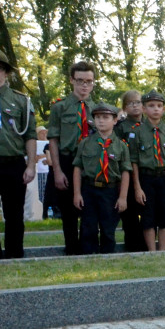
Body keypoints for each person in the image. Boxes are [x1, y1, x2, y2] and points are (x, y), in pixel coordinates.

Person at [47, 60, 96, 255]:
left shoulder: (98, 109)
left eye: (89, 81)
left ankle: (88, 248)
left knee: (90, 208)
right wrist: (57, 170)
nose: (85, 85)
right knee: (68, 210)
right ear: (71, 80)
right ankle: (71, 249)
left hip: (91, 163)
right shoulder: (60, 107)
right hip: (67, 160)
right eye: (80, 80)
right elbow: (53, 140)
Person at [72, 103, 129, 254]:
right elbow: (78, 168)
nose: (101, 121)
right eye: (97, 117)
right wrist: (77, 193)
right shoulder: (85, 143)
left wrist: (123, 197)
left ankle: (107, 257)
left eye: (105, 117)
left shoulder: (121, 146)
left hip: (110, 190)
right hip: (89, 189)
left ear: (115, 120)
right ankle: (88, 257)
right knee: (88, 227)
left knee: (108, 228)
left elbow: (125, 171)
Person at [129, 90, 165, 251]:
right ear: (144, 109)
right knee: (148, 217)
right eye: (151, 106)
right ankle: (152, 252)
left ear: (164, 109)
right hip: (146, 178)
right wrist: (137, 187)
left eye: (159, 106)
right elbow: (134, 161)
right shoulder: (136, 132)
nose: (156, 109)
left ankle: (162, 251)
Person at [0, 49, 36, 259]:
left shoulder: (21, 101)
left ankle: (14, 254)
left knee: (14, 213)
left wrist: (31, 165)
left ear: (5, 72)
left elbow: (30, 135)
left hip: (13, 163)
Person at [113, 90, 146, 252]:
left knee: (148, 214)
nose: (135, 106)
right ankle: (133, 246)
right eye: (130, 103)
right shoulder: (120, 127)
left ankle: (148, 246)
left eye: (138, 102)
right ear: (124, 107)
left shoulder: (150, 124)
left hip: (147, 173)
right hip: (127, 174)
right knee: (130, 214)